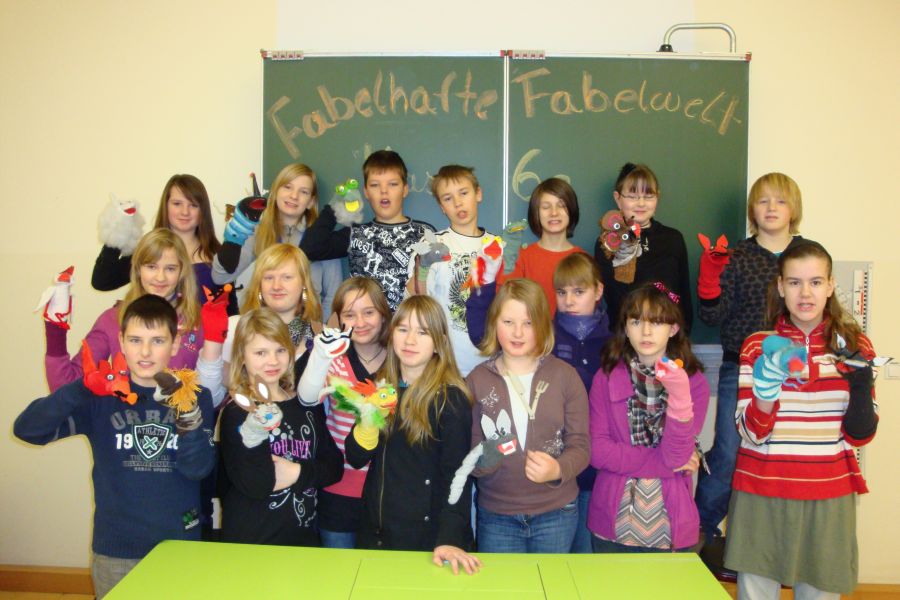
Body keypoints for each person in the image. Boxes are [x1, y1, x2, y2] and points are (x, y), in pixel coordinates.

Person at [15, 295, 215, 598]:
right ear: (121, 341)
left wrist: (187, 415)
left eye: (157, 341)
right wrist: (81, 386)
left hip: (179, 545)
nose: (145, 352)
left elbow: (197, 468)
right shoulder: (102, 397)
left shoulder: (195, 397)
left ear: (175, 344)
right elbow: (28, 430)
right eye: (135, 340)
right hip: (117, 549)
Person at [725, 240, 878, 599]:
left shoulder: (855, 345)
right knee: (756, 592)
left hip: (829, 491)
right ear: (780, 287)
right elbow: (750, 432)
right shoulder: (758, 345)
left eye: (815, 282)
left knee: (820, 592)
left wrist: (860, 385)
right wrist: (766, 390)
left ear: (830, 286)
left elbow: (861, 435)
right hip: (762, 487)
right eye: (794, 282)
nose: (805, 293)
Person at [465, 252, 611, 552]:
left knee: (551, 580)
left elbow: (580, 445)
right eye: (508, 322)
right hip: (497, 515)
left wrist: (557, 469)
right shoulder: (478, 380)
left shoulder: (565, 376)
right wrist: (486, 460)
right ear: (495, 324)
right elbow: (470, 451)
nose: (517, 333)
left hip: (556, 513)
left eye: (528, 323)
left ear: (543, 325)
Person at [695, 172, 807, 542]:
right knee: (729, 451)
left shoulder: (807, 255)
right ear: (752, 210)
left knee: (787, 456)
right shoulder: (737, 256)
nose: (771, 208)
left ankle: (771, 541)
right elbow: (712, 316)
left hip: (795, 369)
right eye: (763, 201)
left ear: (794, 209)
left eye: (780, 200)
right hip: (740, 368)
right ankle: (700, 531)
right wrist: (709, 281)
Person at [344, 296, 480, 575]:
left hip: (428, 541)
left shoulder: (450, 398)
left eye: (422, 332)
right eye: (403, 329)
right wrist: (368, 420)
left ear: (439, 342)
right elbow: (356, 458)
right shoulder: (380, 387)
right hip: (377, 534)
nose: (410, 340)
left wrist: (450, 537)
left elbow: (457, 475)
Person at [587, 283, 709, 553]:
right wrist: (664, 463)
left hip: (669, 527)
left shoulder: (693, 382)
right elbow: (598, 451)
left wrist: (679, 395)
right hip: (613, 526)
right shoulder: (606, 377)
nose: (645, 331)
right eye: (636, 321)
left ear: (673, 329)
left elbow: (677, 455)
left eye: (656, 322)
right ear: (625, 328)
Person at [218, 308, 342, 546]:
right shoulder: (237, 413)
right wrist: (306, 473)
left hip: (303, 540)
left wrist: (296, 472)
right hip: (252, 542)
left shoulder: (306, 405)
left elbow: (334, 467)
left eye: (280, 350)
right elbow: (256, 484)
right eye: (260, 353)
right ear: (242, 356)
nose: (273, 361)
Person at [292, 276, 391, 548]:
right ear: (337, 319)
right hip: (339, 489)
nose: (360, 322)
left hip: (388, 492)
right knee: (338, 570)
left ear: (383, 315)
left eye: (369, 312)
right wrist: (320, 356)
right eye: (349, 314)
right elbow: (305, 399)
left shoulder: (400, 358)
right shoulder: (331, 358)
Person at [44, 228, 202, 392]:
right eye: (151, 267)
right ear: (138, 269)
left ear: (181, 271)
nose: (160, 277)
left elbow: (211, 389)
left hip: (182, 408)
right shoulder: (113, 319)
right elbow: (65, 386)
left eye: (170, 268)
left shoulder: (197, 320)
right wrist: (55, 329)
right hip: (126, 407)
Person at [299, 150, 435, 311]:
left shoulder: (424, 233)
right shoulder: (356, 234)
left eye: (393, 184)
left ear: (405, 189)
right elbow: (309, 249)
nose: (384, 191)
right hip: (364, 324)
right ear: (366, 192)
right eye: (375, 185)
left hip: (410, 323)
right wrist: (335, 207)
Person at [211, 163, 342, 317]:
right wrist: (233, 239)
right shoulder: (258, 233)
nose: (294, 196)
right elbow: (220, 277)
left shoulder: (322, 237)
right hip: (267, 325)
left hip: (307, 326)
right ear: (275, 191)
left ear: (311, 202)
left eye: (303, 192)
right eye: (287, 187)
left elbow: (333, 295)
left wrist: (320, 328)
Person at [201, 244, 322, 407]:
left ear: (304, 283)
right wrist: (213, 342)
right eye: (269, 278)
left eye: (287, 277)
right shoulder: (233, 328)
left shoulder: (323, 337)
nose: (276, 286)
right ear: (259, 285)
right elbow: (208, 399)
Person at [407, 164, 500, 375]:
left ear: (478, 194)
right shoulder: (433, 244)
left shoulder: (495, 246)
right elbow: (417, 297)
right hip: (445, 364)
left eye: (464, 193)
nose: (458, 203)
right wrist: (424, 266)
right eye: (448, 198)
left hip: (491, 363)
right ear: (442, 207)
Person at [92, 174, 222, 302]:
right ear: (166, 206)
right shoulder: (149, 249)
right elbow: (102, 281)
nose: (185, 212)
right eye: (177, 204)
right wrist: (119, 230)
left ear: (203, 210)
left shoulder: (218, 255)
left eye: (193, 205)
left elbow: (228, 305)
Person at [594, 163, 692, 330]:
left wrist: (682, 333)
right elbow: (612, 298)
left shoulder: (673, 239)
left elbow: (684, 294)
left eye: (648, 196)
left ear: (657, 197)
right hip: (624, 336)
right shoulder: (608, 242)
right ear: (618, 199)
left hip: (668, 337)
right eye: (632, 196)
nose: (641, 203)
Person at [498, 177, 585, 315]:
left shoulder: (584, 260)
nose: (554, 213)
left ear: (571, 210)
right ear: (536, 214)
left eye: (561, 205)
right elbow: (506, 307)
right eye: (545, 207)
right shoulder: (517, 259)